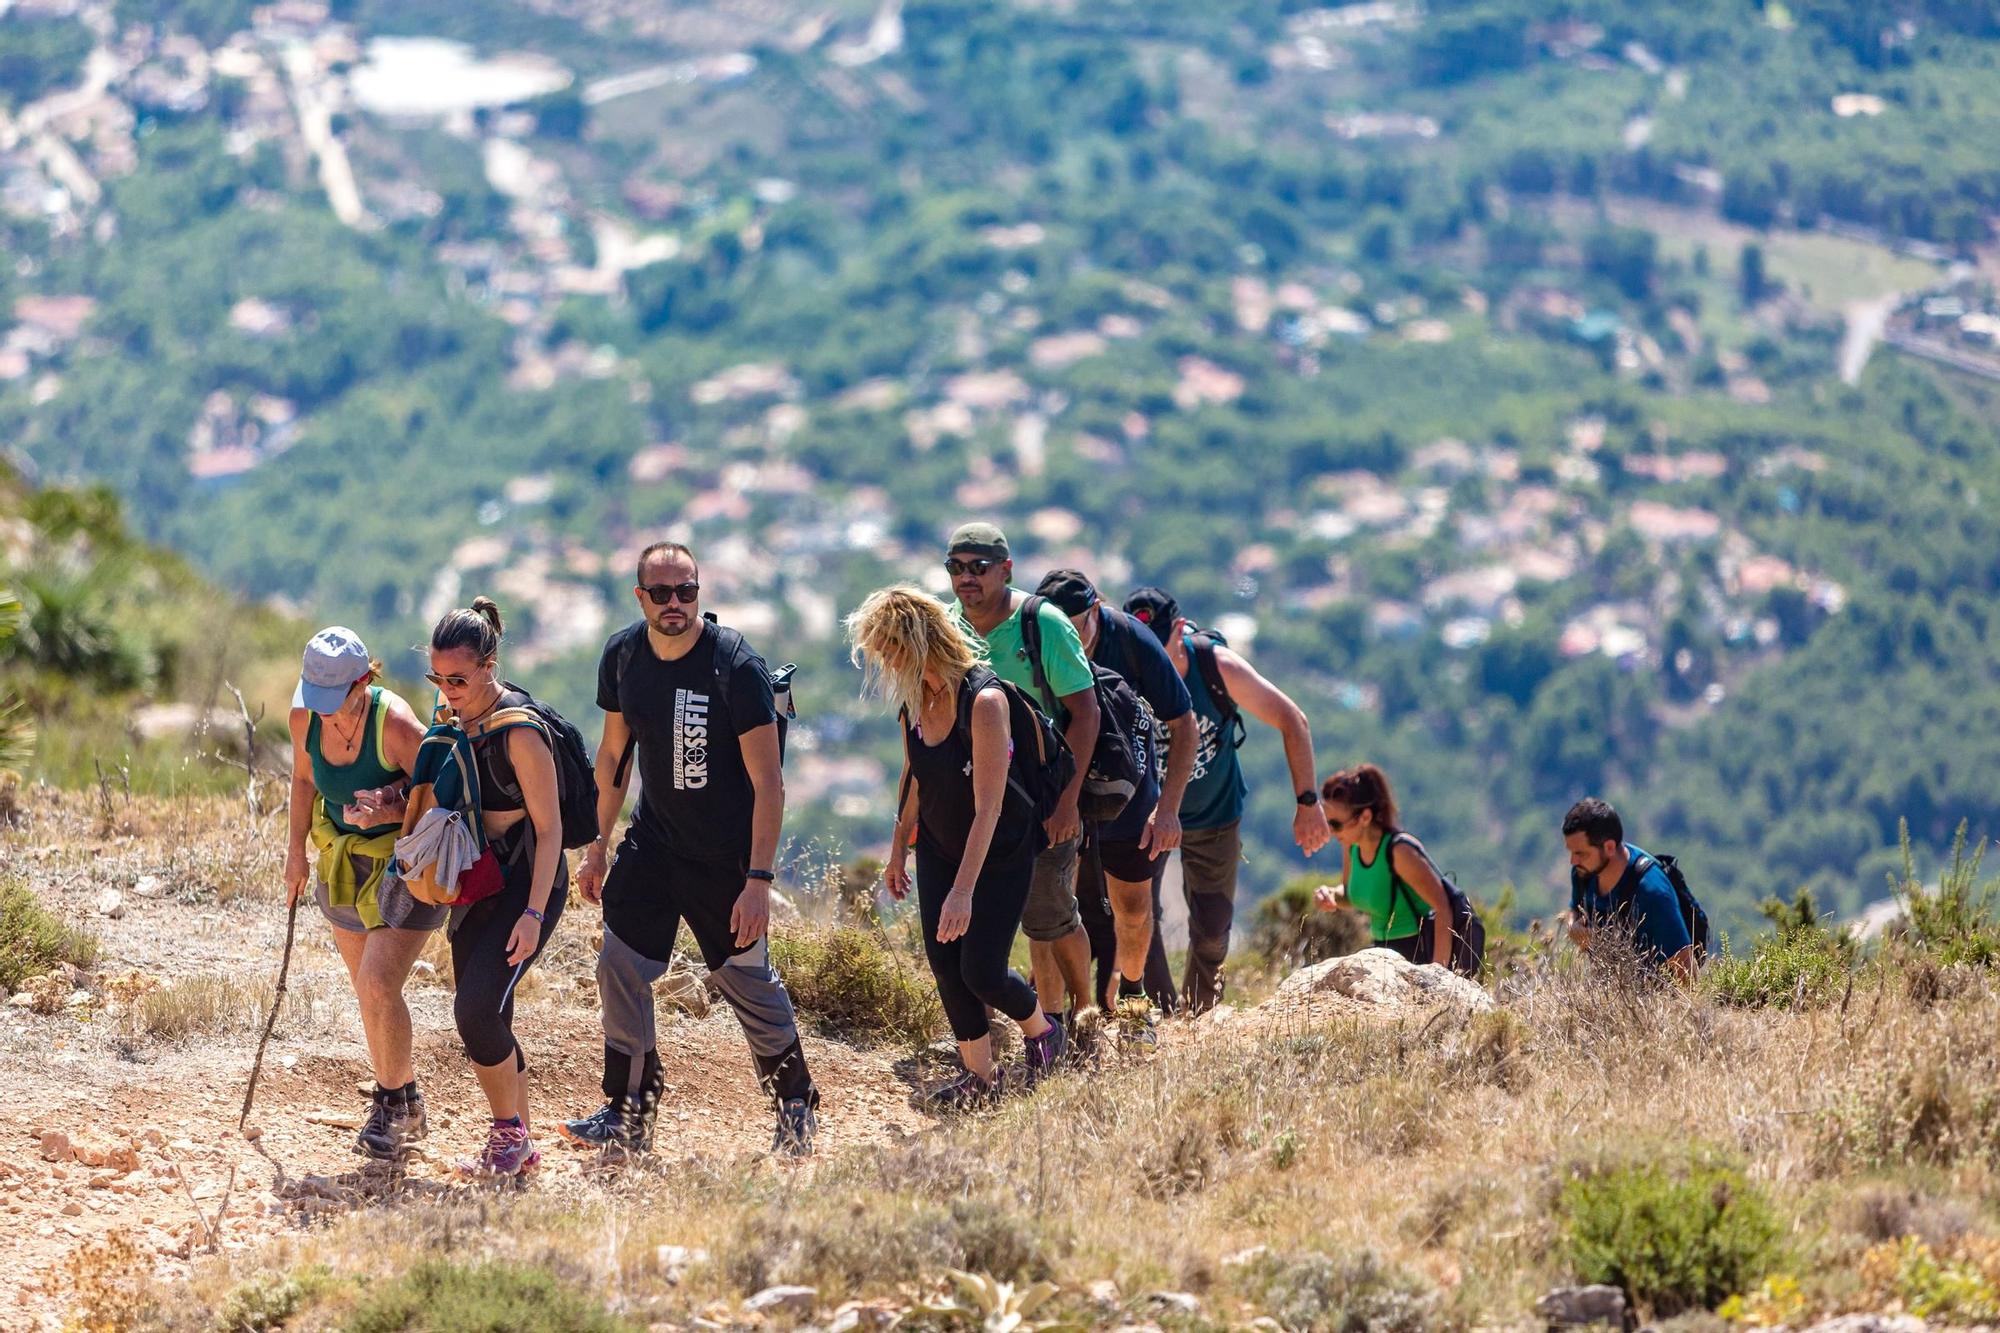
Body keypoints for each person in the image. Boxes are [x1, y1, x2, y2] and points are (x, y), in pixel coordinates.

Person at [563, 542, 819, 1159]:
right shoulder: (624, 656)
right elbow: (613, 758)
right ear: (640, 596)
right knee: (620, 967)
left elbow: (769, 782)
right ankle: (630, 1111)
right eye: (661, 593)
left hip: (725, 861)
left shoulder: (734, 665)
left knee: (744, 982)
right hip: (654, 846)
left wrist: (758, 880)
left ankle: (795, 1103)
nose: (675, 604)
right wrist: (596, 846)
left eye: (687, 591)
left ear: (700, 591)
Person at [848, 585, 1067, 1107]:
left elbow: (990, 806)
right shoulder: (915, 701)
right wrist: (900, 847)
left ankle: (1043, 1033)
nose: (885, 663)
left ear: (918, 643)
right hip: (941, 847)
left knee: (982, 970)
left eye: (890, 650)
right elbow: (916, 777)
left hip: (999, 850)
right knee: (946, 965)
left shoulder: (985, 701)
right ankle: (980, 1078)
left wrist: (963, 892)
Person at [1123, 587, 1333, 1014]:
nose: (1149, 655)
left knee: (1213, 928)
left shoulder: (1215, 667)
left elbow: (1292, 719)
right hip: (1146, 815)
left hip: (1213, 812)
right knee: (1138, 917)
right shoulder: (1126, 670)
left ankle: (1201, 1017)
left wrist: (1308, 803)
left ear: (1180, 631)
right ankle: (1158, 1016)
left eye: (1157, 643)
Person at [283, 626, 440, 1160]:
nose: (327, 712)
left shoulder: (393, 722)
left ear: (363, 681)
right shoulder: (303, 716)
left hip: (405, 865)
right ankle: (404, 1100)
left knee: (377, 982)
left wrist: (390, 805)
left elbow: (439, 791)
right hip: (342, 862)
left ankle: (394, 1107)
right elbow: (304, 780)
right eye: (317, 699)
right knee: (367, 991)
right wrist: (295, 852)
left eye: (337, 700)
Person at [428, 598, 569, 1178]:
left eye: (458, 678)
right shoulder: (451, 716)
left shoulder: (520, 735)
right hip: (477, 881)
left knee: (475, 1013)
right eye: (437, 678)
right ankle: (520, 1147)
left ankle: (508, 1136)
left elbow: (551, 828)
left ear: (490, 665)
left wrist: (534, 913)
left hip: (526, 884)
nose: (447, 689)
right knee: (493, 1013)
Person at [945, 523, 1101, 1034]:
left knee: (1049, 914)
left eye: (978, 567)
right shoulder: (947, 627)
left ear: (1006, 569)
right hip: (973, 797)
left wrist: (1067, 803)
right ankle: (1018, 1024)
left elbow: (1086, 712)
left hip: (1041, 795)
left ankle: (1085, 1012)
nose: (966, 578)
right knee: (979, 920)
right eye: (956, 567)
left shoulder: (1044, 624)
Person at [1034, 570, 1194, 1041]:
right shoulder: (1033, 639)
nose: (1066, 638)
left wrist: (1167, 810)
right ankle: (1057, 1022)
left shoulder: (1130, 640)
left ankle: (1131, 997)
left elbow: (1184, 725)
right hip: (1059, 791)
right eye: (1054, 627)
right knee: (1052, 906)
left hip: (1128, 789)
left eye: (1076, 625)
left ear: (1096, 612)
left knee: (1133, 906)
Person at [1310, 764, 1455, 967]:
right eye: (1327, 823)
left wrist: (1438, 974)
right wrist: (1330, 895)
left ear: (1365, 817)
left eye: (1336, 824)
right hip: (1383, 954)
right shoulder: (1352, 848)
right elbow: (1350, 896)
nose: (1331, 832)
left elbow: (1442, 907)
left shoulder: (1399, 851)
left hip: (1418, 954)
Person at [1561, 798, 1697, 983]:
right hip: (1611, 991)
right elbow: (1575, 909)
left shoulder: (1652, 892)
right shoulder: (1584, 872)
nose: (1573, 861)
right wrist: (1573, 927)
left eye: (1580, 853)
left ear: (1609, 847)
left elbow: (1688, 975)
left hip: (1658, 999)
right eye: (1571, 852)